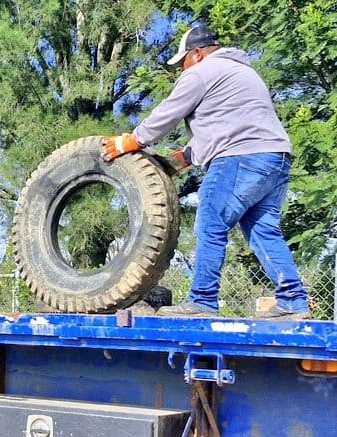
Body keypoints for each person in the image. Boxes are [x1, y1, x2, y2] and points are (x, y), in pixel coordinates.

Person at [103, 23, 310, 320]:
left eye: (183, 62)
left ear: (197, 54)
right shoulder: (244, 73)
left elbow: (168, 113)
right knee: (264, 231)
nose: (181, 70)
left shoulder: (201, 73)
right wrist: (181, 159)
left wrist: (133, 140)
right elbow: (227, 126)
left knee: (210, 223)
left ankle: (202, 300)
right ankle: (292, 300)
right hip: (274, 158)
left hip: (239, 157)